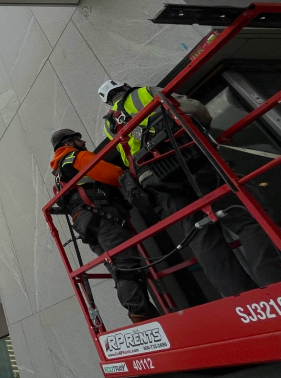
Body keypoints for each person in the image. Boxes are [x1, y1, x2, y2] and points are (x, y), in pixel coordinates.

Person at [99, 80, 281, 297]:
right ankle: (275, 285)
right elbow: (194, 109)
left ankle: (242, 299)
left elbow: (127, 155)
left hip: (156, 180)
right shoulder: (143, 93)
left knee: (201, 235)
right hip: (185, 159)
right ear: (124, 86)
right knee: (244, 217)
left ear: (108, 100)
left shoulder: (109, 124)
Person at [49, 128, 160, 323]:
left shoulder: (58, 174)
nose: (83, 143)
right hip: (102, 216)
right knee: (126, 264)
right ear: (68, 144)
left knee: (119, 267)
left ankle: (145, 312)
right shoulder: (75, 156)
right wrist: (130, 177)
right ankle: (140, 314)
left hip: (85, 224)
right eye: (78, 140)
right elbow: (110, 173)